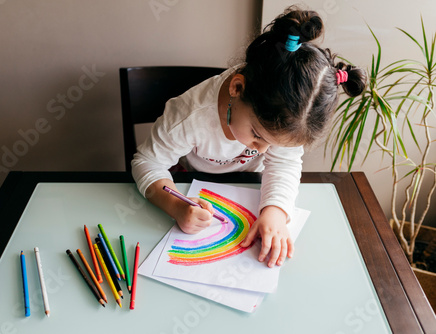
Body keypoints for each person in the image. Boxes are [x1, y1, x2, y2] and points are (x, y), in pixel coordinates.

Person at [131, 6, 367, 268]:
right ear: (237, 87)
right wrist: (175, 206)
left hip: (248, 187)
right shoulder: (190, 116)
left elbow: (284, 164)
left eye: (273, 144)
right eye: (257, 135)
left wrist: (275, 212)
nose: (264, 150)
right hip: (188, 185)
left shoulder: (285, 116)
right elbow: (147, 162)